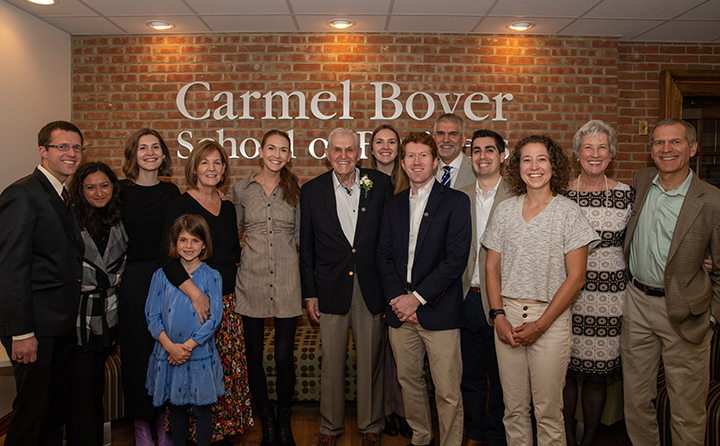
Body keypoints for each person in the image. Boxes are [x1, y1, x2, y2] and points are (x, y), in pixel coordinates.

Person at [482, 135, 598, 446]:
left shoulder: (568, 212)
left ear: (554, 165)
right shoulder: (505, 211)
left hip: (550, 321)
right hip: (507, 318)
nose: (534, 167)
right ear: (517, 166)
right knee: (514, 409)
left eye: (542, 159)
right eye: (526, 160)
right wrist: (498, 316)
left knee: (548, 410)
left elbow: (576, 278)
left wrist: (541, 324)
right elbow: (491, 268)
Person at [622, 118, 720, 446]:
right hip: (636, 303)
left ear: (692, 148)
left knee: (687, 408)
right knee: (636, 401)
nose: (666, 150)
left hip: (686, 310)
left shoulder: (712, 200)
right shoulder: (641, 180)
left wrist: (712, 315)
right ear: (651, 151)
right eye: (659, 143)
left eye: (675, 142)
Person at [377, 131, 472, 446]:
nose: (416, 162)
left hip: (439, 311)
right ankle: (420, 437)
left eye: (423, 156)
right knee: (410, 384)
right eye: (411, 156)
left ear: (434, 161)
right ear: (403, 163)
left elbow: (455, 260)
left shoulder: (456, 202)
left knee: (447, 390)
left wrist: (416, 299)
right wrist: (399, 301)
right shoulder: (393, 205)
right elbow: (384, 257)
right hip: (400, 313)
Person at [300, 128, 393, 446]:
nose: (343, 156)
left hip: (371, 288)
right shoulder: (311, 191)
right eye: (337, 150)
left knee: (371, 361)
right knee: (332, 363)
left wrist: (390, 290)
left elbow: (388, 242)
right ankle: (330, 427)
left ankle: (370, 426)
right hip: (330, 288)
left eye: (349, 150)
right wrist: (309, 292)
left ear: (359, 153)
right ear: (327, 154)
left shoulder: (380, 184)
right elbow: (306, 247)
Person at [0, 121, 85, 446]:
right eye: (62, 146)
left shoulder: (59, 195)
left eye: (76, 147)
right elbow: (10, 269)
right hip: (34, 328)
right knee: (31, 415)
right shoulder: (23, 195)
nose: (71, 153)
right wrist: (21, 333)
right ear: (43, 151)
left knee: (52, 411)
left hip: (59, 326)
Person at [162, 140, 252, 444]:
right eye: (205, 163)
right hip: (192, 302)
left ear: (224, 169)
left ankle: (220, 431)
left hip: (227, 300)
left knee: (224, 369)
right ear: (194, 168)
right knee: (194, 369)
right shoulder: (180, 205)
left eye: (217, 163)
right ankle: (191, 434)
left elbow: (232, 252)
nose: (211, 168)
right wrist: (196, 295)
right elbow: (168, 257)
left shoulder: (228, 207)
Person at [561, 121, 634, 446]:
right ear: (577, 154)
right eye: (588, 148)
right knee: (563, 372)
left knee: (596, 375)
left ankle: (589, 438)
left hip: (609, 299)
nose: (595, 154)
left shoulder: (627, 195)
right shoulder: (561, 192)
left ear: (611, 153)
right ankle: (565, 437)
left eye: (601, 147)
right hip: (566, 295)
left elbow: (645, 237)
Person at [233, 130, 301, 446]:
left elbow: (302, 238)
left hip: (288, 283)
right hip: (253, 281)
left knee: (284, 357)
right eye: (271, 148)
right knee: (254, 356)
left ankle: (284, 421)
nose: (277, 154)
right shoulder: (241, 190)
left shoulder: (296, 190)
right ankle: (267, 424)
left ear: (288, 156)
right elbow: (231, 234)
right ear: (260, 152)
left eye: (283, 150)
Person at [119, 128, 179, 446]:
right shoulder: (119, 192)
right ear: (134, 155)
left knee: (164, 353)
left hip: (167, 280)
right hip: (133, 281)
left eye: (156, 147)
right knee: (137, 354)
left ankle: (161, 422)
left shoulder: (171, 193)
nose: (150, 152)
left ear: (164, 154)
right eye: (143, 148)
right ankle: (141, 425)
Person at [146, 214, 225, 446]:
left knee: (201, 411)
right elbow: (152, 316)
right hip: (169, 354)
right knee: (177, 409)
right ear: (174, 243)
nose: (188, 246)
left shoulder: (212, 276)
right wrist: (170, 347)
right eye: (183, 240)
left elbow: (214, 319)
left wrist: (188, 347)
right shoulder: (160, 276)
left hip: (198, 355)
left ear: (204, 244)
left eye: (195, 241)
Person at [66, 162, 128, 446]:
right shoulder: (69, 220)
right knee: (81, 387)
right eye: (90, 187)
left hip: (108, 311)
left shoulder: (118, 219)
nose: (99, 192)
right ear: (81, 190)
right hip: (79, 315)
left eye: (104, 185)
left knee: (96, 383)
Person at [458, 130, 512, 446]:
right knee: (472, 374)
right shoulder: (459, 197)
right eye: (476, 151)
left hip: (503, 301)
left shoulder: (517, 196)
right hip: (467, 297)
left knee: (504, 375)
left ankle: (497, 433)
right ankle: (476, 432)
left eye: (489, 150)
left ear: (502, 155)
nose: (482, 156)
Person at [367, 123, 412, 439]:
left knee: (407, 355)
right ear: (370, 148)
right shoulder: (364, 180)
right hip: (373, 276)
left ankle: (407, 412)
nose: (385, 147)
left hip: (407, 279)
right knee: (381, 351)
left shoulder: (411, 177)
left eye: (391, 142)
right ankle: (385, 412)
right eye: (379, 142)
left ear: (399, 147)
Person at [434, 113, 474, 190]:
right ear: (434, 138)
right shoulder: (427, 170)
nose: (446, 140)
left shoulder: (476, 170)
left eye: (452, 134)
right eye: (440, 134)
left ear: (463, 140)